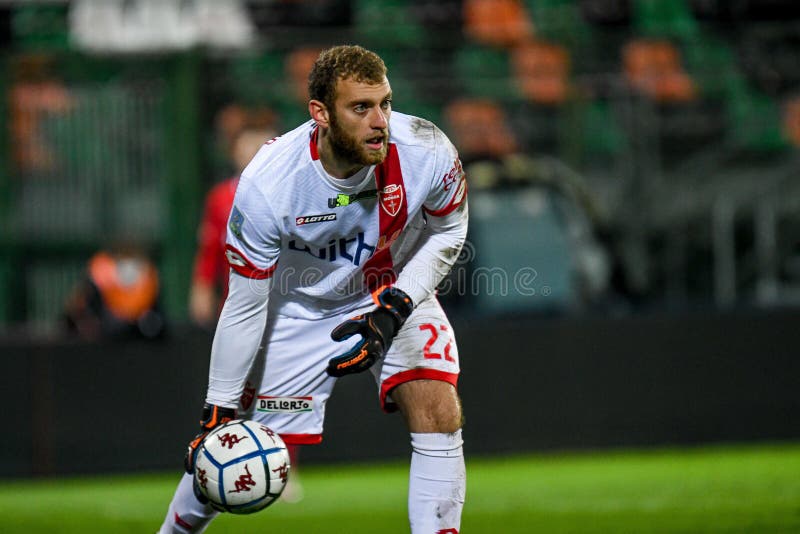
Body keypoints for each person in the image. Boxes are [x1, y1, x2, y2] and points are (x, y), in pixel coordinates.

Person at [158, 45, 468, 533]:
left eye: (384, 103)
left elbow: (448, 230)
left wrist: (395, 308)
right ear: (320, 114)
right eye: (360, 108)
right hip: (297, 308)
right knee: (234, 454)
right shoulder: (268, 184)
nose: (380, 121)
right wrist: (216, 411)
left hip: (389, 286)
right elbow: (244, 304)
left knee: (437, 407)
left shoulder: (426, 150)